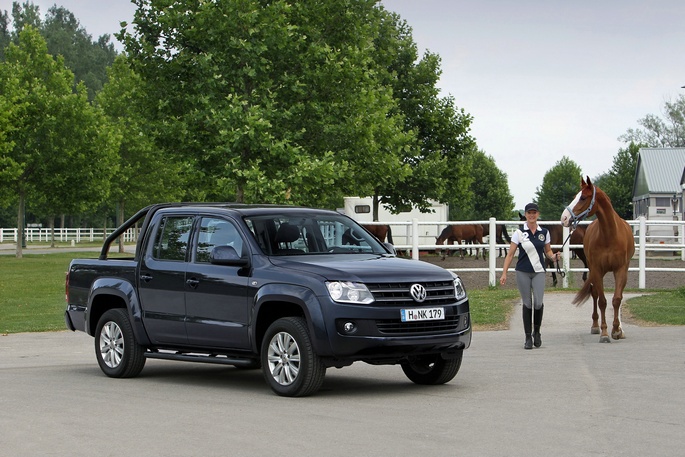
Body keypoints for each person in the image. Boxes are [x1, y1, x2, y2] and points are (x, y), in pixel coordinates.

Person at [500, 202, 560, 349]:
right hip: (523, 271)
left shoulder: (544, 232)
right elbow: (510, 254)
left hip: (539, 270)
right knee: (527, 303)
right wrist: (504, 273)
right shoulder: (519, 233)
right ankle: (527, 337)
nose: (532, 215)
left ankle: (537, 332)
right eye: (529, 213)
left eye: (534, 213)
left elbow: (548, 251)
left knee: (538, 302)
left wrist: (553, 257)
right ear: (525, 215)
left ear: (538, 214)